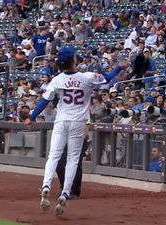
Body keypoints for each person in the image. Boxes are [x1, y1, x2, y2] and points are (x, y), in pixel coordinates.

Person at [28, 46, 125, 215]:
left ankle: (46, 185)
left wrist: (32, 117)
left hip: (61, 120)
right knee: (73, 159)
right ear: (73, 60)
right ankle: (65, 193)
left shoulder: (57, 79)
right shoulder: (86, 77)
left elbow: (44, 101)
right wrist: (119, 67)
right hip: (79, 122)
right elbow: (108, 78)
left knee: (54, 156)